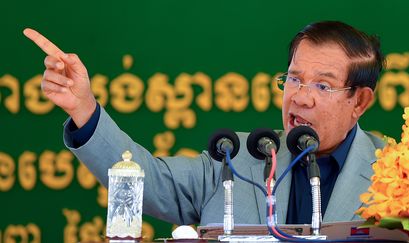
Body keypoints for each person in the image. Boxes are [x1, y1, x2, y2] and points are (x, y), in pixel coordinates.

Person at [24, 21, 385, 226]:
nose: (300, 97)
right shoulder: (237, 157)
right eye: (293, 79)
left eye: (322, 85)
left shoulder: (397, 175)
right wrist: (84, 109)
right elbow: (145, 179)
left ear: (360, 101)